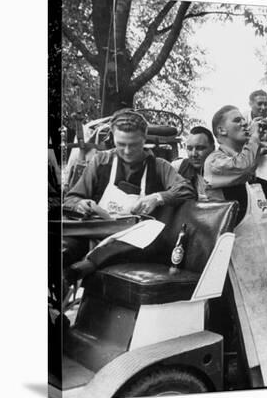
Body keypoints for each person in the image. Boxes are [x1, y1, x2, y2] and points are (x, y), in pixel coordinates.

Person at [204, 105, 267, 388]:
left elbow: (244, 197)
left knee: (264, 321)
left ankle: (264, 382)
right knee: (244, 325)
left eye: (245, 121)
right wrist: (256, 138)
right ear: (221, 130)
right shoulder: (216, 161)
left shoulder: (245, 159)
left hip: (258, 257)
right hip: (235, 260)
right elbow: (242, 169)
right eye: (238, 121)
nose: (246, 124)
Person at [62, 109, 196, 280]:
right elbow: (71, 198)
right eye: (121, 144)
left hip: (132, 240)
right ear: (113, 138)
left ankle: (90, 264)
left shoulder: (159, 166)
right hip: (97, 231)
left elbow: (186, 189)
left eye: (133, 145)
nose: (126, 151)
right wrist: (81, 204)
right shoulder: (101, 161)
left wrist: (158, 198)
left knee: (153, 232)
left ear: (144, 139)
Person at [171, 126, 215, 200]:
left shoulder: (224, 171)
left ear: (213, 148)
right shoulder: (177, 167)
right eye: (190, 149)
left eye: (200, 148)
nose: (194, 154)